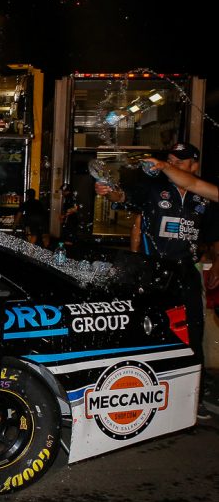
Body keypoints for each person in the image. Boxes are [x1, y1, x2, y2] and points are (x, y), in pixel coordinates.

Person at [95, 142, 217, 419]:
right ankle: (145, 393)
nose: (173, 164)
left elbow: (213, 235)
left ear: (194, 165)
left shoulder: (202, 195)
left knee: (192, 332)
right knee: (149, 329)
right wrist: (109, 191)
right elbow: (123, 197)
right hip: (154, 272)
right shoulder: (153, 187)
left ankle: (192, 399)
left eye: (180, 161)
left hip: (186, 271)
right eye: (170, 159)